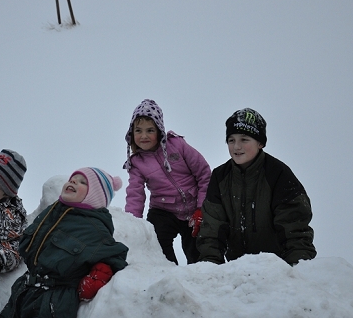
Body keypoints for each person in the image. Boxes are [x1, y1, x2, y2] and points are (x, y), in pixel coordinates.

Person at [0, 167, 128, 318]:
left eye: (83, 183)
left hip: (54, 301)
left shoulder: (94, 227)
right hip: (24, 291)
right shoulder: (53, 212)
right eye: (73, 179)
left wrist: (99, 274)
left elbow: (115, 255)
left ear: (94, 196)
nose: (73, 182)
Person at [197, 108, 317, 265]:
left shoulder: (278, 174)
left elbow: (295, 230)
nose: (236, 146)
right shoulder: (220, 176)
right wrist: (210, 268)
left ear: (260, 143)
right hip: (237, 270)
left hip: (278, 270)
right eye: (231, 140)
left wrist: (297, 270)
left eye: (244, 139)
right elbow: (212, 228)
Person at [123, 99, 211, 265]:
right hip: (163, 210)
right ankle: (167, 274)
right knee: (157, 242)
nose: (143, 136)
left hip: (193, 207)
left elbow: (204, 174)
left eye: (150, 130)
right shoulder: (137, 162)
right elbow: (135, 194)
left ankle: (199, 278)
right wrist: (132, 225)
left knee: (197, 249)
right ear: (132, 134)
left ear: (159, 131)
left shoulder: (177, 145)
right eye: (138, 130)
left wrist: (201, 207)